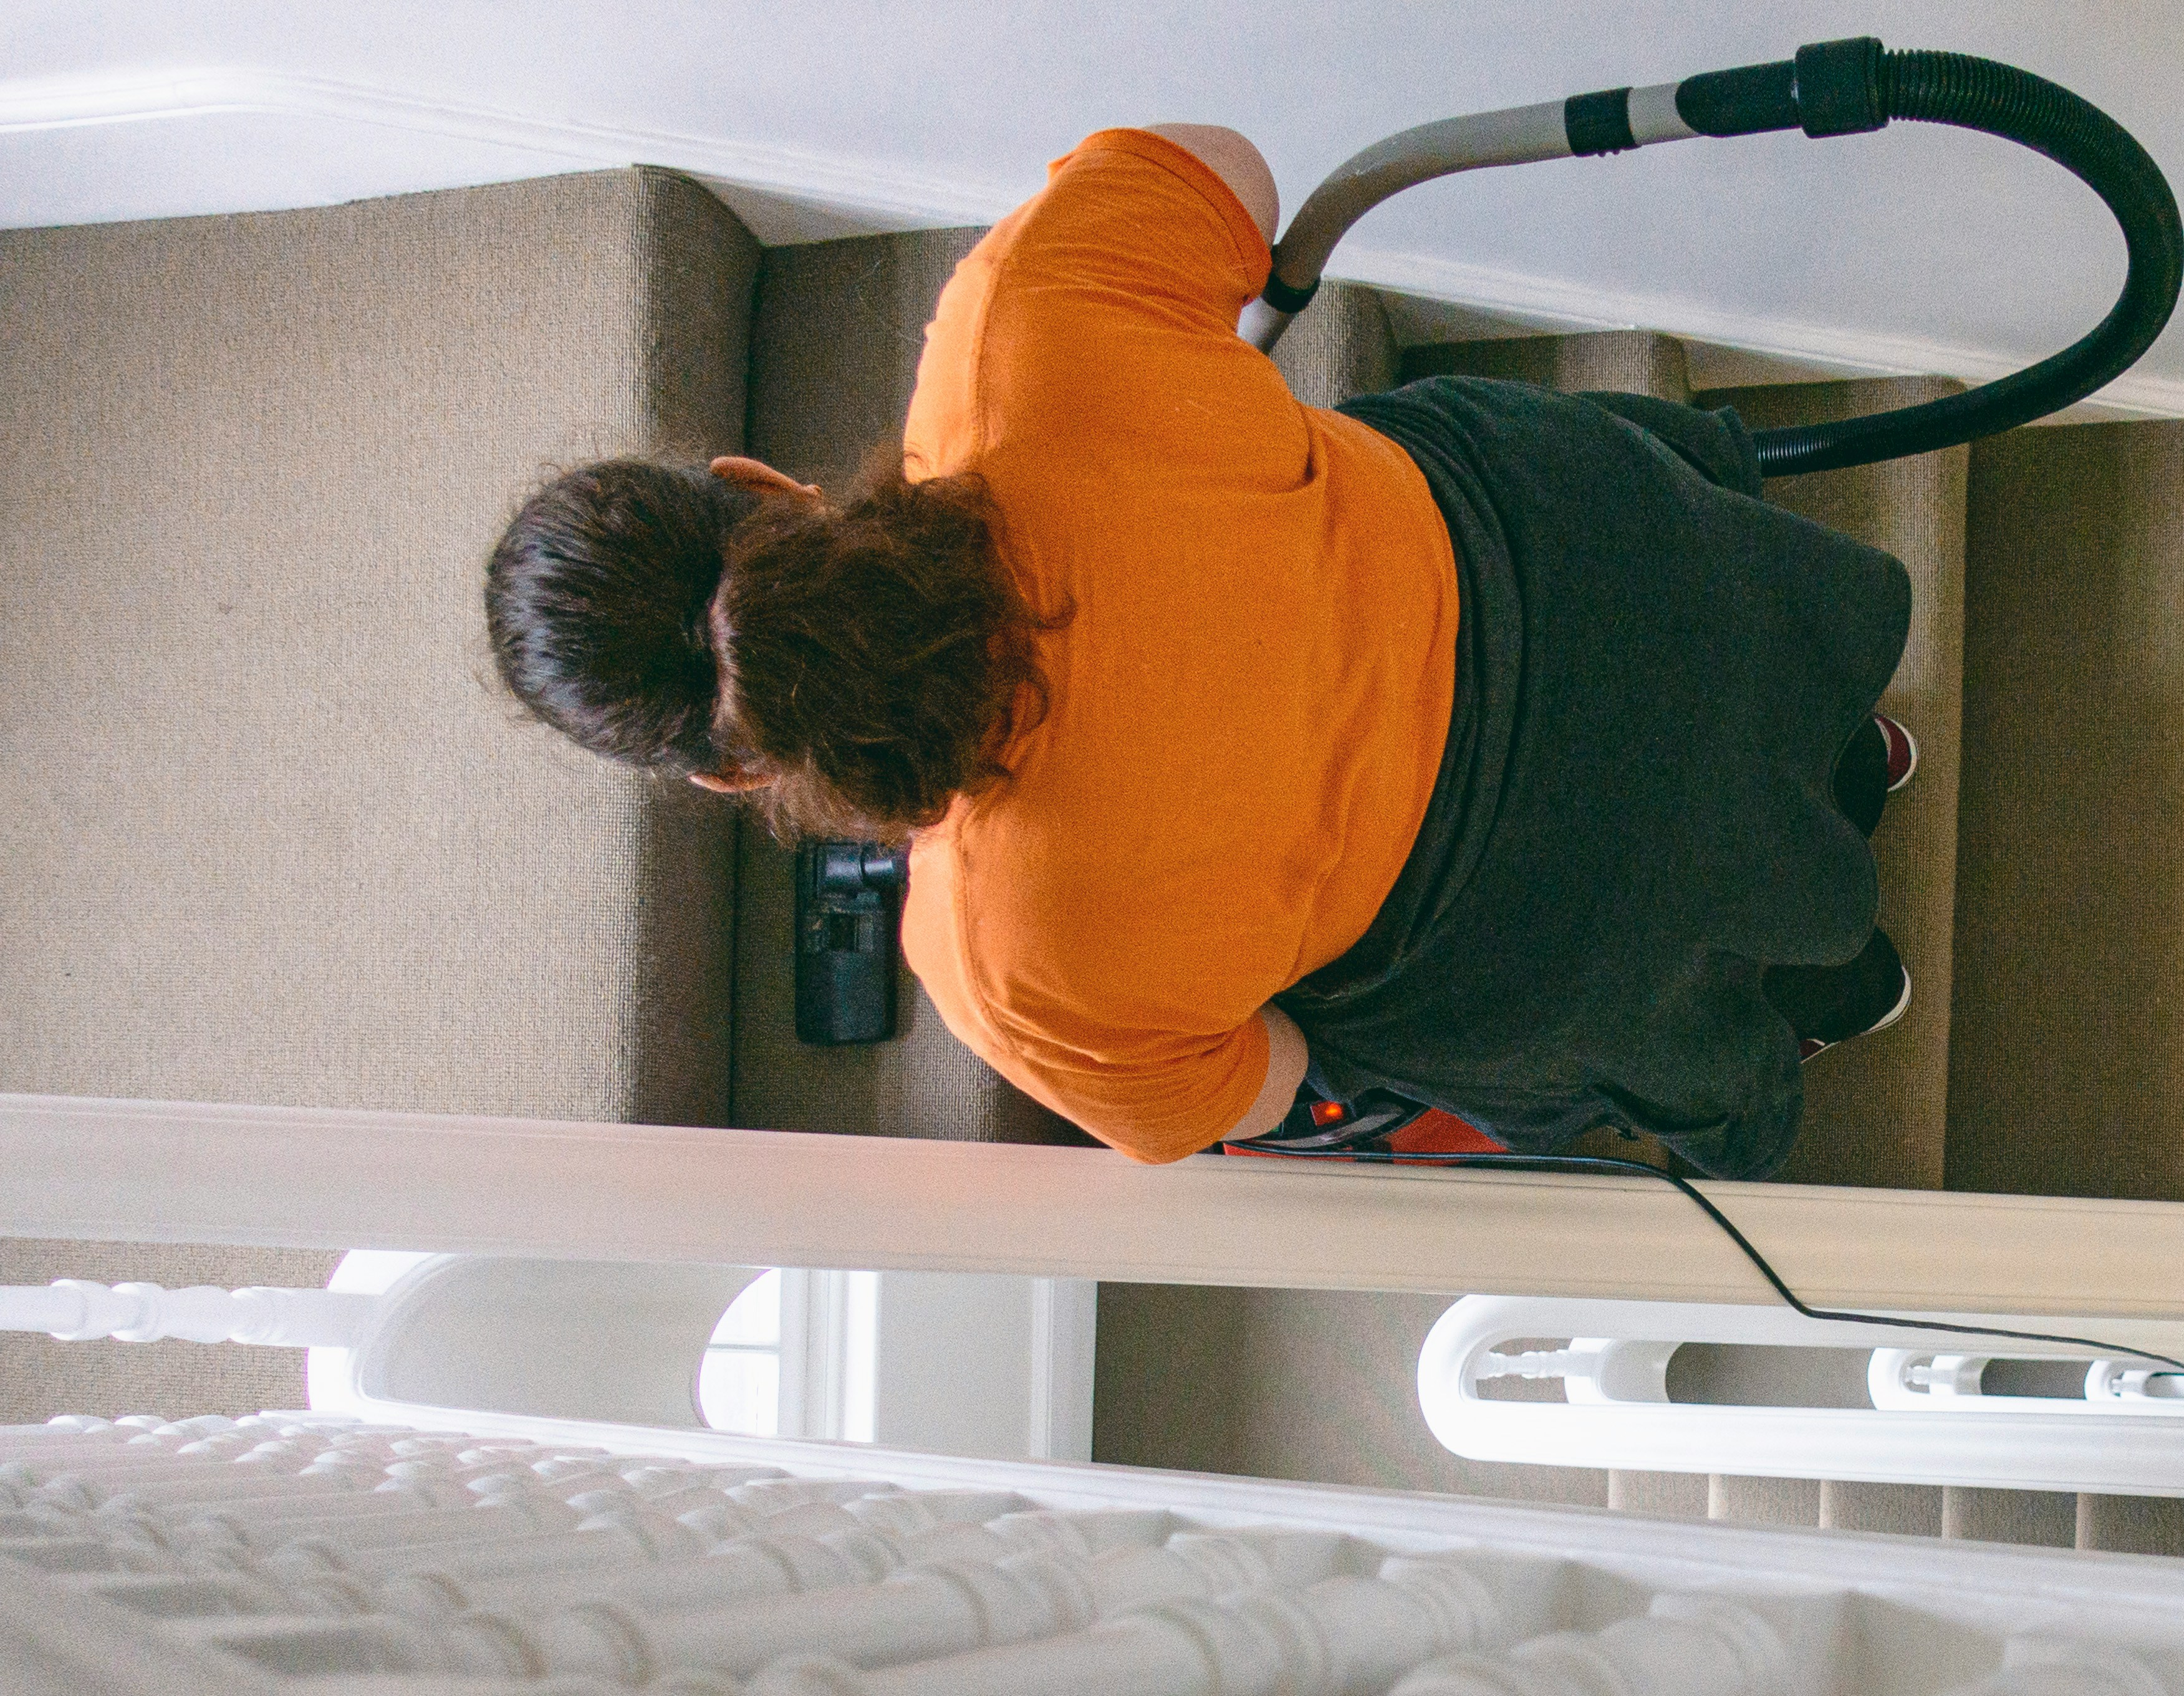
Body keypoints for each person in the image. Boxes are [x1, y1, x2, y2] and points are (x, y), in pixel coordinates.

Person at [483, 123, 1914, 1177]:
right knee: (1454, 464)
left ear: (734, 774)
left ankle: (1823, 985)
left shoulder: (999, 971)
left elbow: (1273, 1084)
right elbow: (1228, 171)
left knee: (1403, 1022)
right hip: (1602, 564)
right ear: (761, 485)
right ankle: (1844, 728)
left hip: (1558, 917)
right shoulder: (1008, 342)